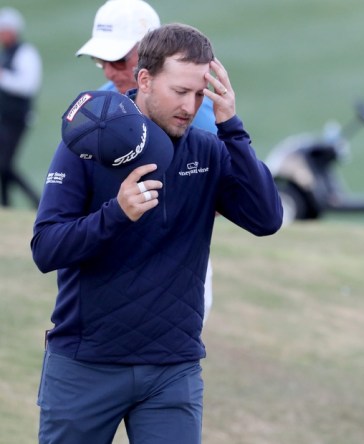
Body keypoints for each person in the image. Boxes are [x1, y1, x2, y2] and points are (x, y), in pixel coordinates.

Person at [31, 23, 283, 443]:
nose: (191, 105)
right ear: (144, 79)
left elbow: (267, 218)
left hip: (173, 369)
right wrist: (116, 214)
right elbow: (46, 248)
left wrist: (232, 127)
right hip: (84, 365)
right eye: (180, 92)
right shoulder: (87, 141)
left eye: (200, 94)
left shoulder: (207, 150)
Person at [76, 0, 218, 323]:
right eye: (102, 61)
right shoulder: (100, 104)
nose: (110, 71)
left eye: (119, 59)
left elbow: (226, 194)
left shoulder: (199, 113)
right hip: (109, 259)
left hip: (178, 263)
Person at [0, 7, 41, 208]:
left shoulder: (26, 53)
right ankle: (6, 205)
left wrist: (3, 77)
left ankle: (36, 201)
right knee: (3, 165)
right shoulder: (6, 54)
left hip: (17, 118)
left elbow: (27, 85)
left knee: (4, 164)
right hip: (3, 117)